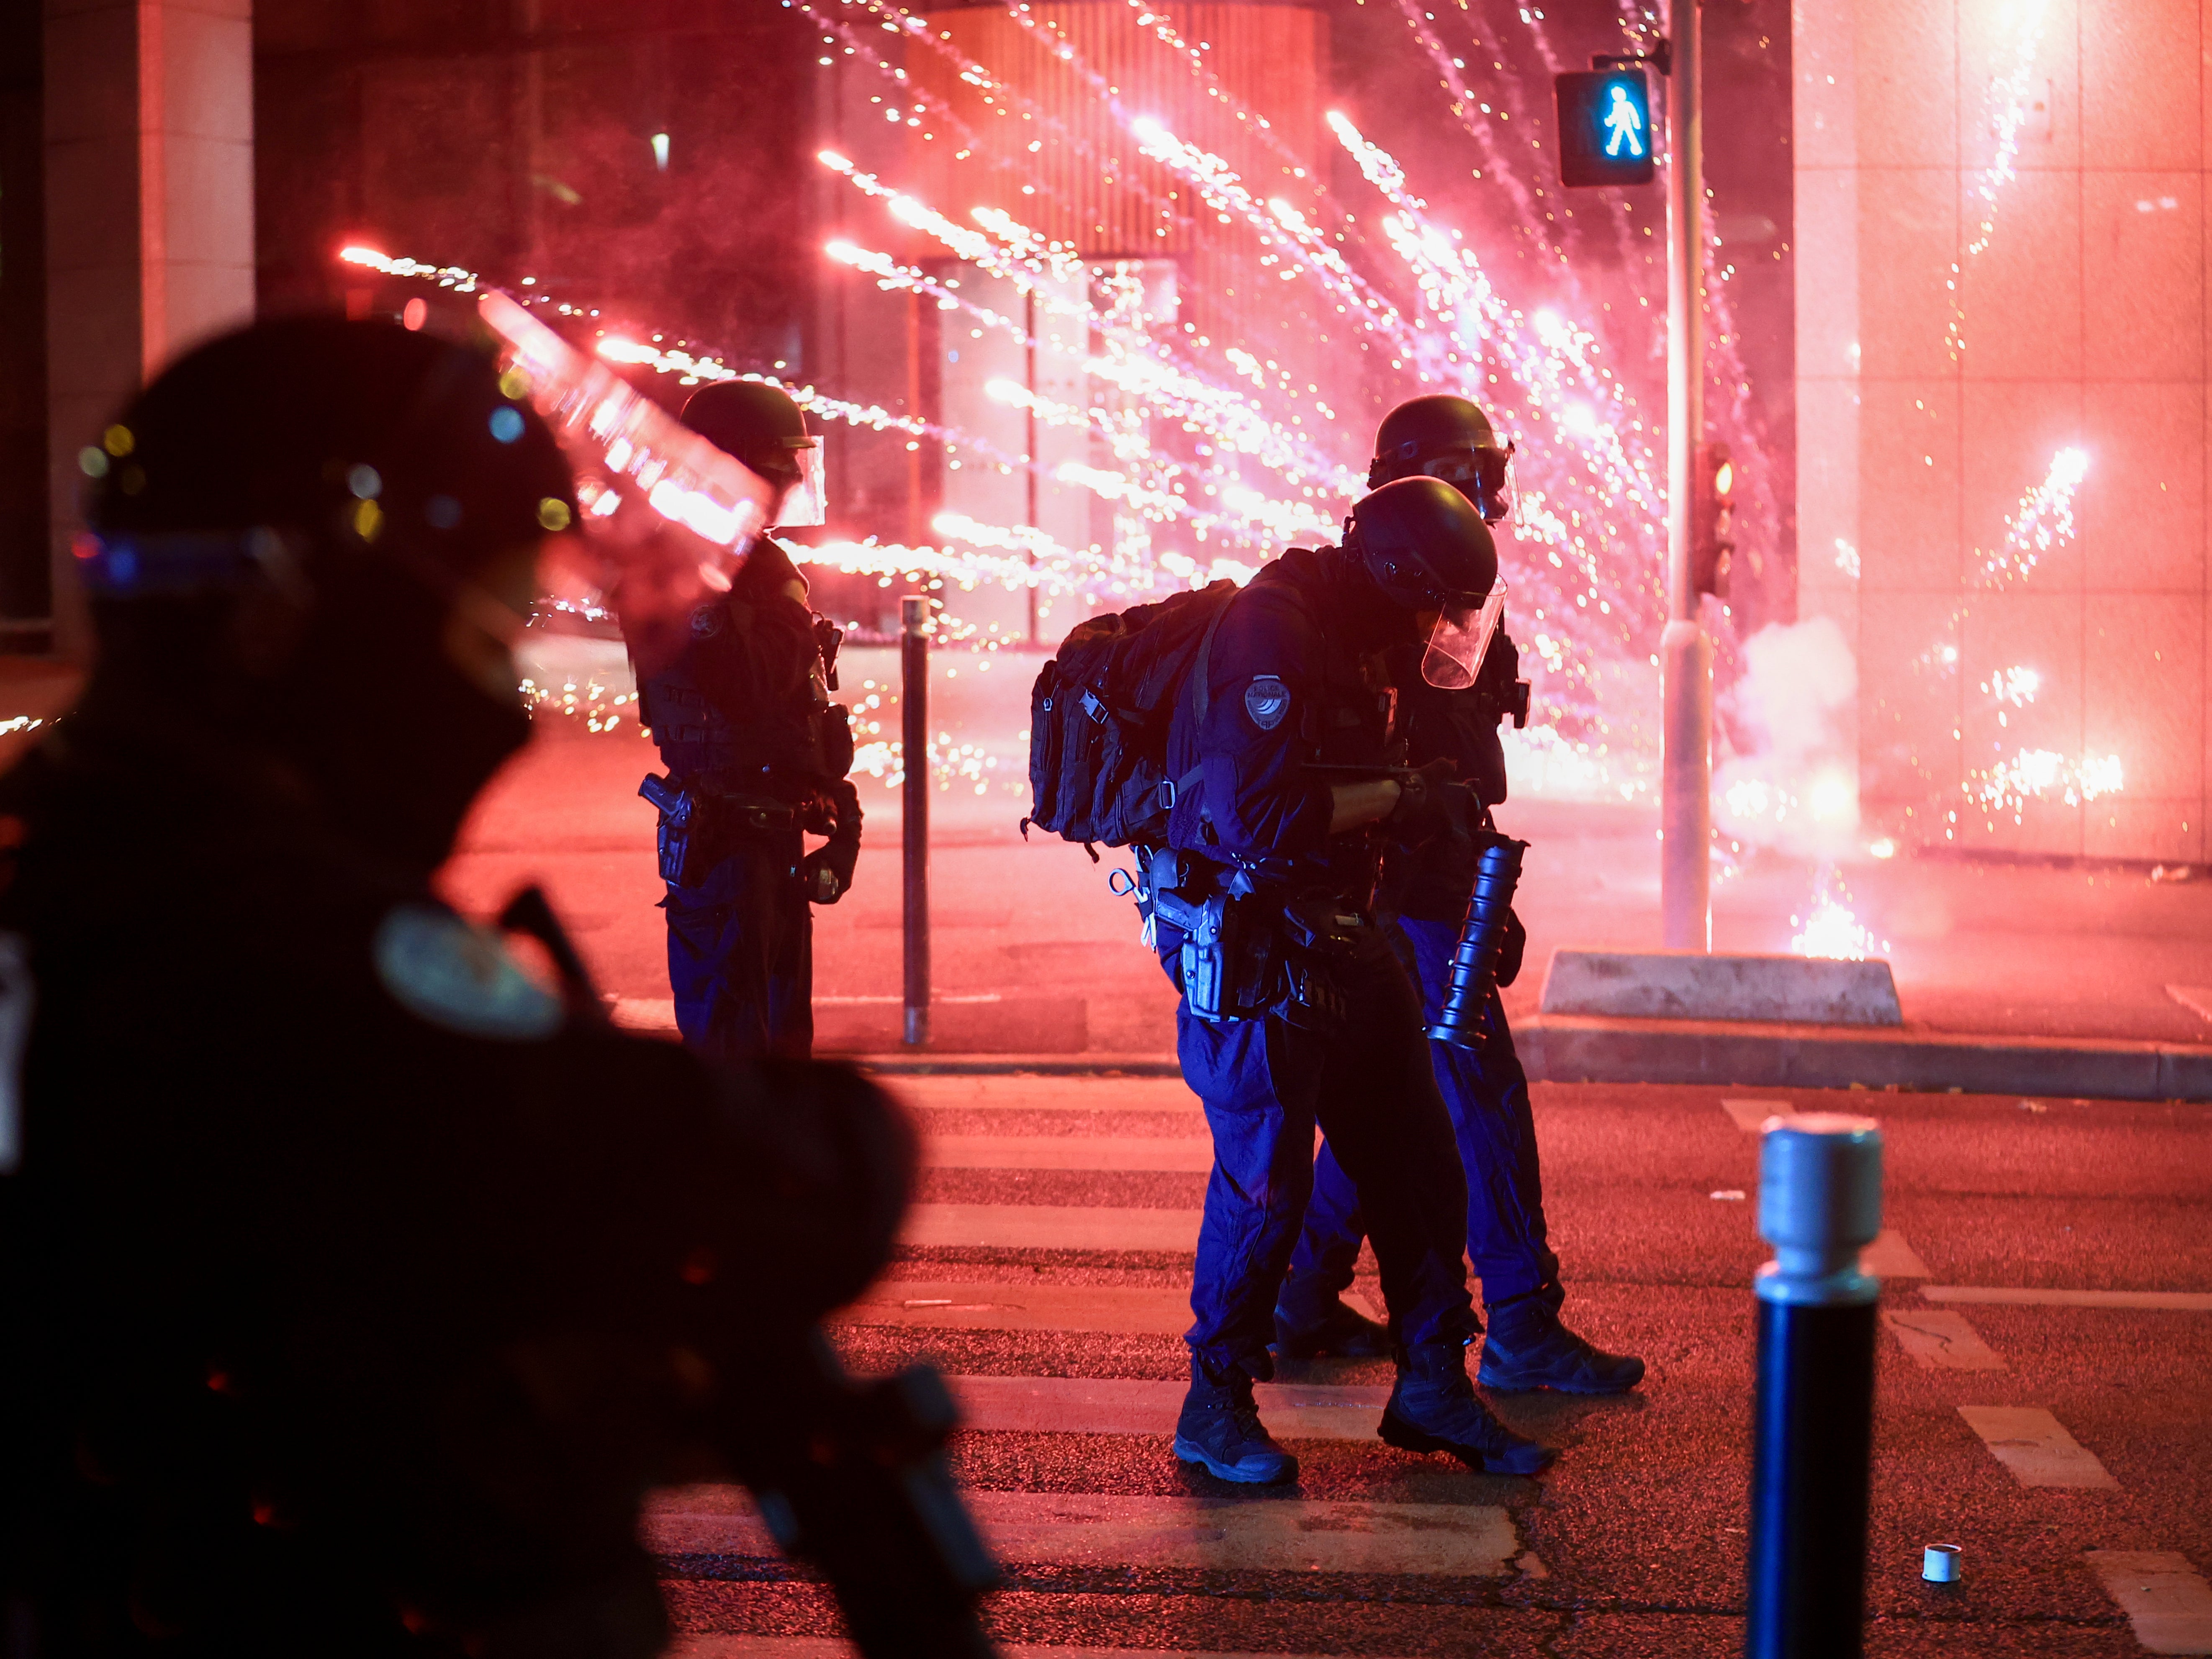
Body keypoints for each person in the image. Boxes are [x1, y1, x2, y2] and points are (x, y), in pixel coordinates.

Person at [0, 319, 976, 1657]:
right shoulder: (267, 936)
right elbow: (786, 1173)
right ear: (303, 615)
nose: (498, 688)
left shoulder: (70, 864)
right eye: (473, 622)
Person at [1153, 474, 1555, 1485]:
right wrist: (1397, 792)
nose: (1435, 624)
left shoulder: (1372, 636)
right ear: (1393, 574)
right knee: (1267, 1180)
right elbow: (1256, 817)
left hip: (1345, 929)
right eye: (1429, 600)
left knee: (1420, 1164)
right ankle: (1216, 1401)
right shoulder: (1272, 633)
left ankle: (1433, 1383)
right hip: (1252, 939)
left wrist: (1471, 893)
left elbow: (1410, 794)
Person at [1272, 395, 1645, 1396]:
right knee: (1479, 1091)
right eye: (1478, 471)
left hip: (1419, 869)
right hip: (1418, 878)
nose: (1494, 492)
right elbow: (1418, 749)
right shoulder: (1412, 578)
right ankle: (1520, 1321)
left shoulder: (1424, 569)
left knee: (1395, 1088)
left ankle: (1297, 1298)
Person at [629, 381, 859, 1062]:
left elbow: (792, 713)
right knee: (735, 1061)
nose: (790, 481)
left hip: (764, 837)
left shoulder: (738, 557)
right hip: (727, 841)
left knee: (781, 1053)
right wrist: (787, 602)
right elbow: (751, 685)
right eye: (777, 465)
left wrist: (834, 802)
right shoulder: (693, 560)